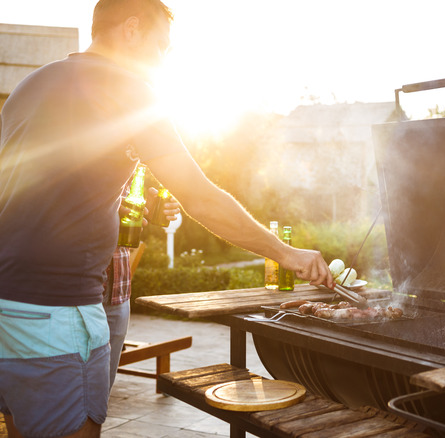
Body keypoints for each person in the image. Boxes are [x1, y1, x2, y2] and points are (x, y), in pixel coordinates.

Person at [0, 0, 334, 436]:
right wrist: (285, 252)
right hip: (57, 313)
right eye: (161, 47)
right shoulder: (128, 90)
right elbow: (201, 198)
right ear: (132, 30)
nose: (162, 61)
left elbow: (37, 195)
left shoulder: (33, 84)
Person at [103, 187, 180, 389]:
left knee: (100, 396)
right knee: (61, 397)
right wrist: (108, 206)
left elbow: (128, 205)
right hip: (77, 291)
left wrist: (147, 205)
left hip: (118, 292)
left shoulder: (132, 162)